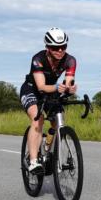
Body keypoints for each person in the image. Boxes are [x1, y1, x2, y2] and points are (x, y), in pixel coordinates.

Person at [20, 28, 78, 173]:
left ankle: (47, 145)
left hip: (52, 90)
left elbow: (68, 81)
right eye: (55, 47)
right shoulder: (38, 59)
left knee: (58, 120)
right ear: (47, 47)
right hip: (32, 90)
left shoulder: (70, 60)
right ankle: (33, 161)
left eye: (63, 47)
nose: (60, 50)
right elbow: (41, 86)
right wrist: (59, 87)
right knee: (37, 119)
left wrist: (69, 88)